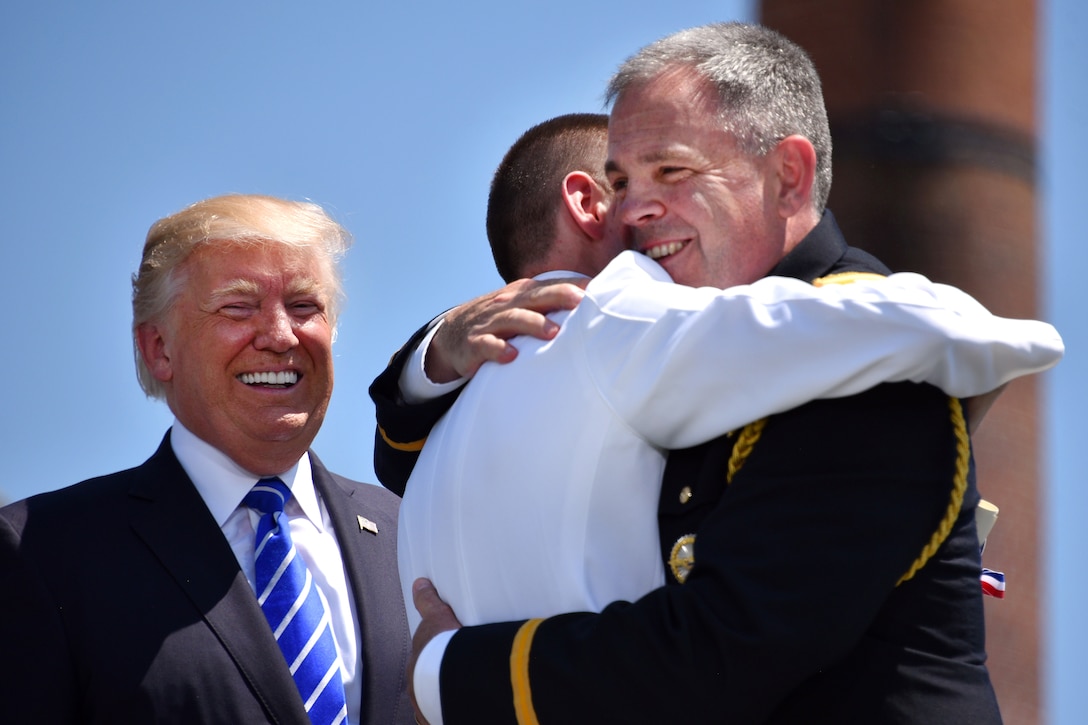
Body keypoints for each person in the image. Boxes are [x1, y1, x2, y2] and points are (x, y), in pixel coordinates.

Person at [372, 78, 1061, 725]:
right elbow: (821, 331)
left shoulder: (437, 437)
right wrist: (991, 341)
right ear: (587, 203)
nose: (654, 213)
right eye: (631, 184)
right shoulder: (619, 311)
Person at [0, 194, 414, 725]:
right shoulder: (41, 551)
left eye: (305, 305)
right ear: (159, 350)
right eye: (238, 307)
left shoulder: (412, 530)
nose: (280, 335)